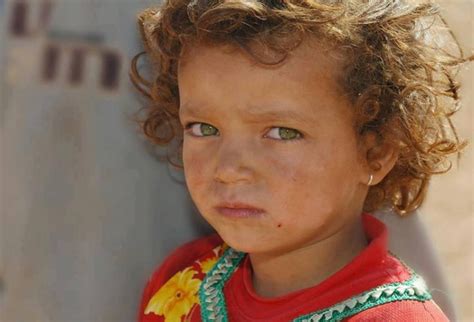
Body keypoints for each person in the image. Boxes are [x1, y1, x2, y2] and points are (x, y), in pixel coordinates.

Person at [130, 0, 473, 321]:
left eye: (282, 132)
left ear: (376, 152)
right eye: (204, 128)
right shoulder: (182, 281)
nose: (229, 169)